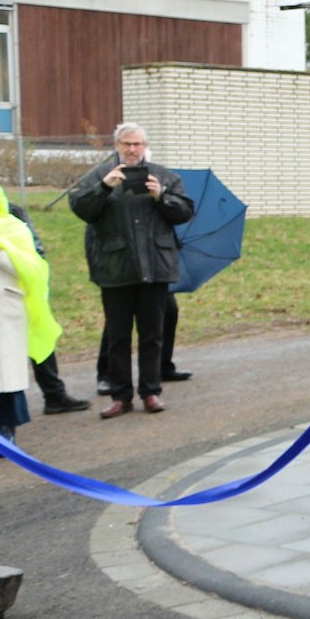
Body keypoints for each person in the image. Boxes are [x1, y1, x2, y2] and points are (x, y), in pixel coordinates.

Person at [70, 123, 194, 418]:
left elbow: (185, 211)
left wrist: (162, 196)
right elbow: (81, 208)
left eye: (137, 144)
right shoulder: (101, 175)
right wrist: (104, 188)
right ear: (117, 146)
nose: (132, 149)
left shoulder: (164, 176)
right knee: (118, 337)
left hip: (155, 267)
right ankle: (120, 396)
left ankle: (150, 392)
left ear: (145, 146)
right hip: (116, 268)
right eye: (126, 144)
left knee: (152, 334)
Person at [5, 201, 88, 415]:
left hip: (22, 290)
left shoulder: (13, 211)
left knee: (40, 339)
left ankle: (54, 395)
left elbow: (36, 250)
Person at [0, 183, 61, 450]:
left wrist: (0, 254)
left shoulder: (13, 227)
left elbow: (34, 268)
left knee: (4, 377)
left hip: (5, 310)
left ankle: (5, 429)